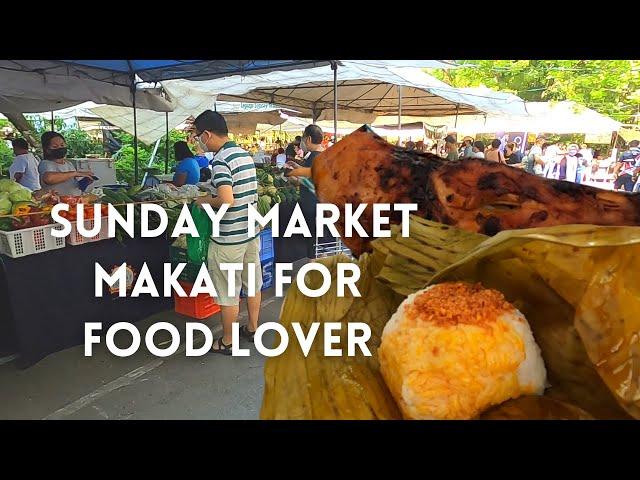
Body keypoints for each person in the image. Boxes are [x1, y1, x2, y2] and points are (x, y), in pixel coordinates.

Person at [192, 110, 262, 355]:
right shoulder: (245, 155)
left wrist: (203, 201)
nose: (198, 142)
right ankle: (252, 329)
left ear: (207, 134)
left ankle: (228, 341)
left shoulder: (221, 160)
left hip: (228, 239)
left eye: (198, 136)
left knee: (228, 291)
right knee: (252, 284)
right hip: (250, 233)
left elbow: (226, 199)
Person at [284, 124, 332, 258]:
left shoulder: (314, 158)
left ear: (309, 139)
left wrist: (294, 180)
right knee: (322, 248)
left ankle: (314, 277)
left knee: (314, 252)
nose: (302, 143)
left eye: (304, 139)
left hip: (313, 211)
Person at [38, 131, 93, 196]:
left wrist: (85, 182)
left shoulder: (68, 164)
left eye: (62, 145)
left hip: (74, 201)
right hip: (56, 203)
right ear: (47, 150)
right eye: (55, 146)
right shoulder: (45, 163)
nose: (60, 148)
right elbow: (49, 179)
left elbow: (72, 184)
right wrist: (75, 173)